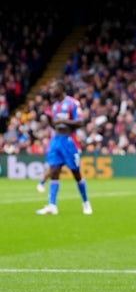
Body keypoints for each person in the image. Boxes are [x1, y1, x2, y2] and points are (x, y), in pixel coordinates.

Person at [36, 79, 92, 215]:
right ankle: (52, 205)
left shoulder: (72, 103)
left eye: (53, 87)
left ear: (60, 89)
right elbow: (55, 125)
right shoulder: (55, 106)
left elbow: (80, 122)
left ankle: (86, 203)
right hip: (56, 140)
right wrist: (49, 119)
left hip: (69, 141)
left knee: (76, 173)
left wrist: (62, 120)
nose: (51, 90)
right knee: (54, 171)